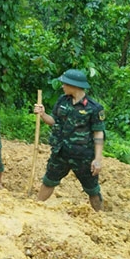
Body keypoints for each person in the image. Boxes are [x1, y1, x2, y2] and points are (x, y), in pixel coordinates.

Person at [33, 69, 105, 211]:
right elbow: (54, 121)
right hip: (61, 152)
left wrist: (97, 159)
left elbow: (98, 133)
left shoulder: (94, 108)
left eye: (65, 84)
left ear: (74, 85)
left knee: (92, 190)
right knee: (48, 181)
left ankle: (101, 217)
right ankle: (35, 207)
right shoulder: (62, 101)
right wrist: (42, 114)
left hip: (83, 156)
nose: (62, 86)